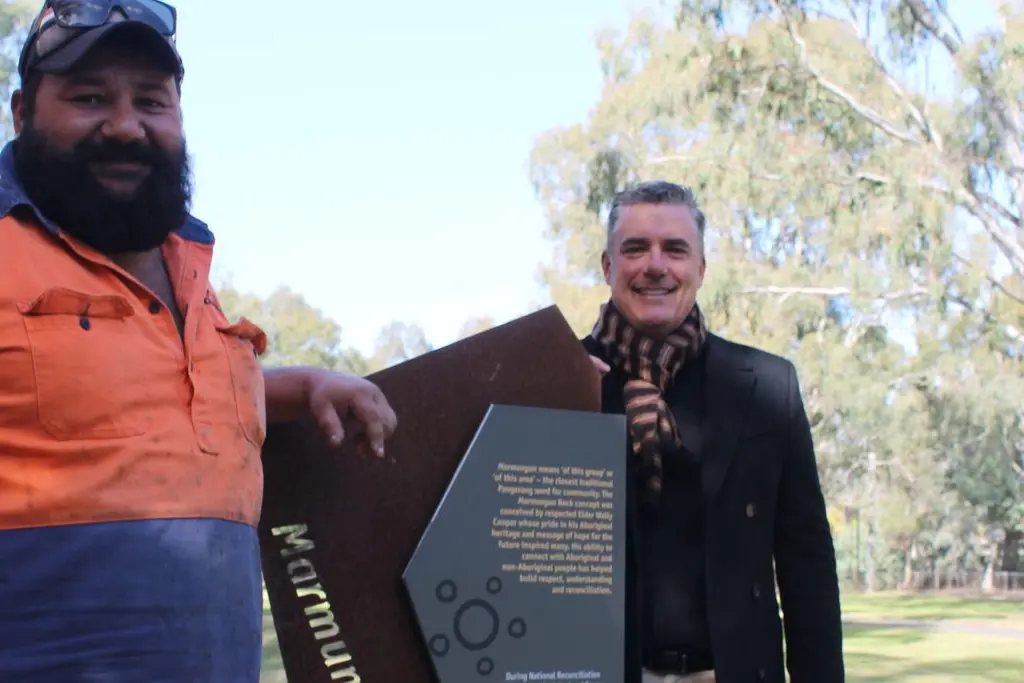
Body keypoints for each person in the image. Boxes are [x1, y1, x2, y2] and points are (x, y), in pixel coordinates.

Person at [0, 2, 397, 681]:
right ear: (22, 113)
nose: (124, 125)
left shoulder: (191, 273)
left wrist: (305, 386)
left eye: (151, 101)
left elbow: (142, 407)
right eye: (89, 97)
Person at [582, 181, 844, 683]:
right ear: (608, 267)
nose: (655, 265)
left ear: (700, 269)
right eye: (635, 248)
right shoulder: (561, 380)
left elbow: (806, 559)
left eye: (675, 249)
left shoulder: (769, 385)